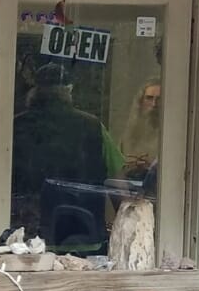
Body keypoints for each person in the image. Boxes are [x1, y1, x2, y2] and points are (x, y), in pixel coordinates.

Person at [11, 64, 119, 245]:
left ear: (35, 90)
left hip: (31, 239)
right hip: (84, 233)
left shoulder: (17, 125)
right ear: (69, 89)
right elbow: (117, 182)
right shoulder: (92, 126)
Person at [121, 79, 161, 180]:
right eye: (149, 98)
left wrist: (151, 167)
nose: (154, 104)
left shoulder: (173, 135)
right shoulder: (130, 133)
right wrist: (131, 166)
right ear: (141, 101)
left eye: (159, 99)